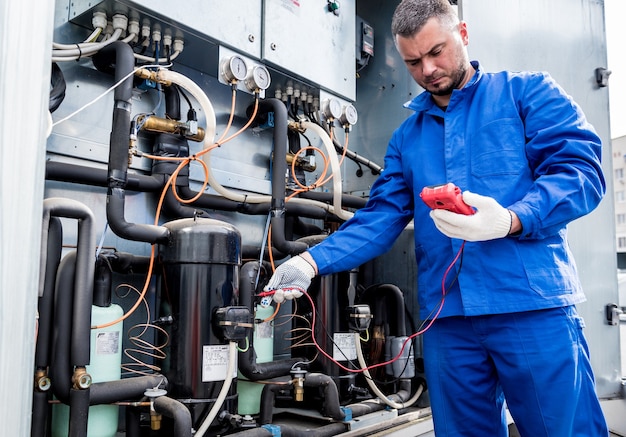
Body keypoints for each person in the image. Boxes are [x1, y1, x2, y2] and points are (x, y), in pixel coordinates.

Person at [265, 0, 610, 435]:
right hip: (449, 320)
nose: (427, 69)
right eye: (413, 61)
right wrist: (311, 262)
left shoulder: (527, 94)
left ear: (463, 34)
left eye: (437, 52)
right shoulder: (408, 136)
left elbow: (580, 172)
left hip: (530, 306)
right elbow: (381, 216)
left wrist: (512, 218)